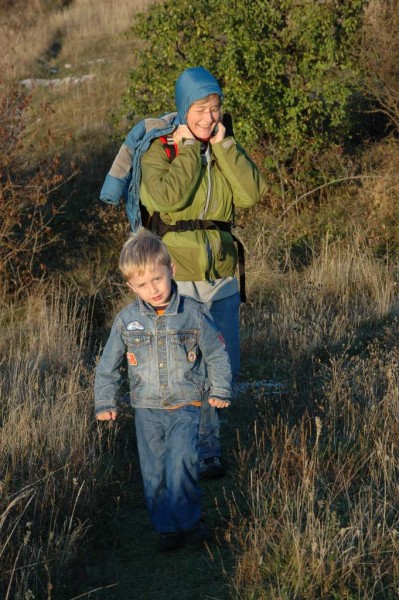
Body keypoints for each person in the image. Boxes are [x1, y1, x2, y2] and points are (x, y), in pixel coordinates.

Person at [139, 66, 266, 479]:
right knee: (185, 368)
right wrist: (190, 148)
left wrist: (224, 146)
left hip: (223, 277)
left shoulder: (224, 146)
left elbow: (251, 194)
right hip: (177, 277)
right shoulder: (161, 151)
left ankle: (205, 442)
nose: (209, 117)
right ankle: (195, 447)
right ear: (183, 109)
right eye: (199, 109)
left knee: (222, 364)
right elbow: (167, 197)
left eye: (214, 109)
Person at [94, 228, 232, 551]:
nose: (152, 289)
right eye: (142, 285)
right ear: (131, 286)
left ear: (171, 271)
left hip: (186, 402)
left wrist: (220, 389)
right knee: (154, 470)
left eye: (157, 279)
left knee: (181, 462)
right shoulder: (126, 321)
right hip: (146, 409)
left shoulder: (193, 313)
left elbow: (216, 353)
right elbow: (107, 365)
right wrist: (105, 400)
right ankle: (167, 528)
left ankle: (189, 521)